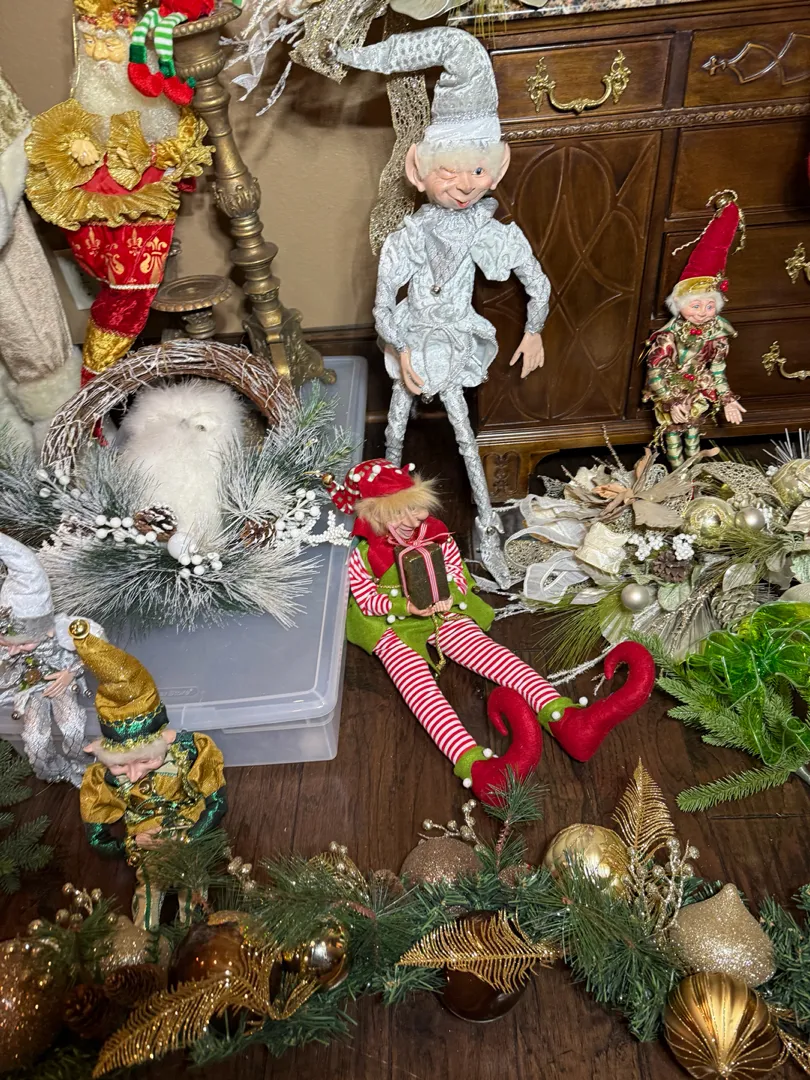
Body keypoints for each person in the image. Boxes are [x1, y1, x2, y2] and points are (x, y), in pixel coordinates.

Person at [338, 28, 550, 587]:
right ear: (419, 171)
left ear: (496, 169)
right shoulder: (407, 237)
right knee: (394, 431)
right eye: (448, 173)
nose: (463, 186)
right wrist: (402, 347)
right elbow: (383, 304)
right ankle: (384, 521)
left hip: (454, 339)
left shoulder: (488, 231)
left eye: (477, 172)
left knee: (464, 435)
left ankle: (486, 524)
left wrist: (534, 330)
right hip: (413, 338)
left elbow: (537, 281)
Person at [326, 458, 656, 801]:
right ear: (374, 516)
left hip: (443, 612)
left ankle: (565, 718)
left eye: (415, 508)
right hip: (390, 625)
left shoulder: (437, 535)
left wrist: (448, 596)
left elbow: (458, 576)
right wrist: (405, 607)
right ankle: (475, 766)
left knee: (494, 655)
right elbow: (366, 600)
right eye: (398, 514)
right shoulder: (362, 556)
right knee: (417, 686)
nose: (412, 520)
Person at [24, 0, 211, 387]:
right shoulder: (89, 97)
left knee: (129, 294)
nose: (97, 55)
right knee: (114, 288)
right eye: (89, 43)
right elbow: (72, 124)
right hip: (95, 207)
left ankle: (95, 379)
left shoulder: (165, 104)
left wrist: (155, 156)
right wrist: (76, 141)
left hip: (145, 202)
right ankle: (97, 384)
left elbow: (183, 144)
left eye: (110, 45)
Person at [75, 619, 226, 929]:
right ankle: (144, 944)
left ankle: (195, 936)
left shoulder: (191, 752)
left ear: (166, 740)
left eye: (144, 761)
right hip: (146, 843)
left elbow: (217, 803)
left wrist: (190, 837)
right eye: (120, 765)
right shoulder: (102, 779)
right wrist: (131, 844)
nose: (133, 775)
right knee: (148, 892)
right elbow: (97, 837)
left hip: (187, 830)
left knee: (193, 886)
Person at [643, 191, 745, 469]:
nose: (702, 312)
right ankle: (677, 475)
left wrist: (727, 399)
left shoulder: (717, 335)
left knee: (693, 435)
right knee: (673, 438)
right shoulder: (668, 336)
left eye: (709, 306)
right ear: (679, 305)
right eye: (696, 305)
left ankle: (691, 473)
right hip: (672, 392)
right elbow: (655, 371)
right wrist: (669, 400)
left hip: (698, 391)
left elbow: (718, 370)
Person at [0, 534, 96, 787]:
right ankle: (55, 771)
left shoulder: (61, 631)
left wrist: (70, 673)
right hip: (30, 690)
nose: (13, 651)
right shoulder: (10, 645)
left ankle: (87, 763)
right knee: (35, 737)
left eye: (23, 644)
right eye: (7, 644)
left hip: (61, 680)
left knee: (72, 725)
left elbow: (96, 649)